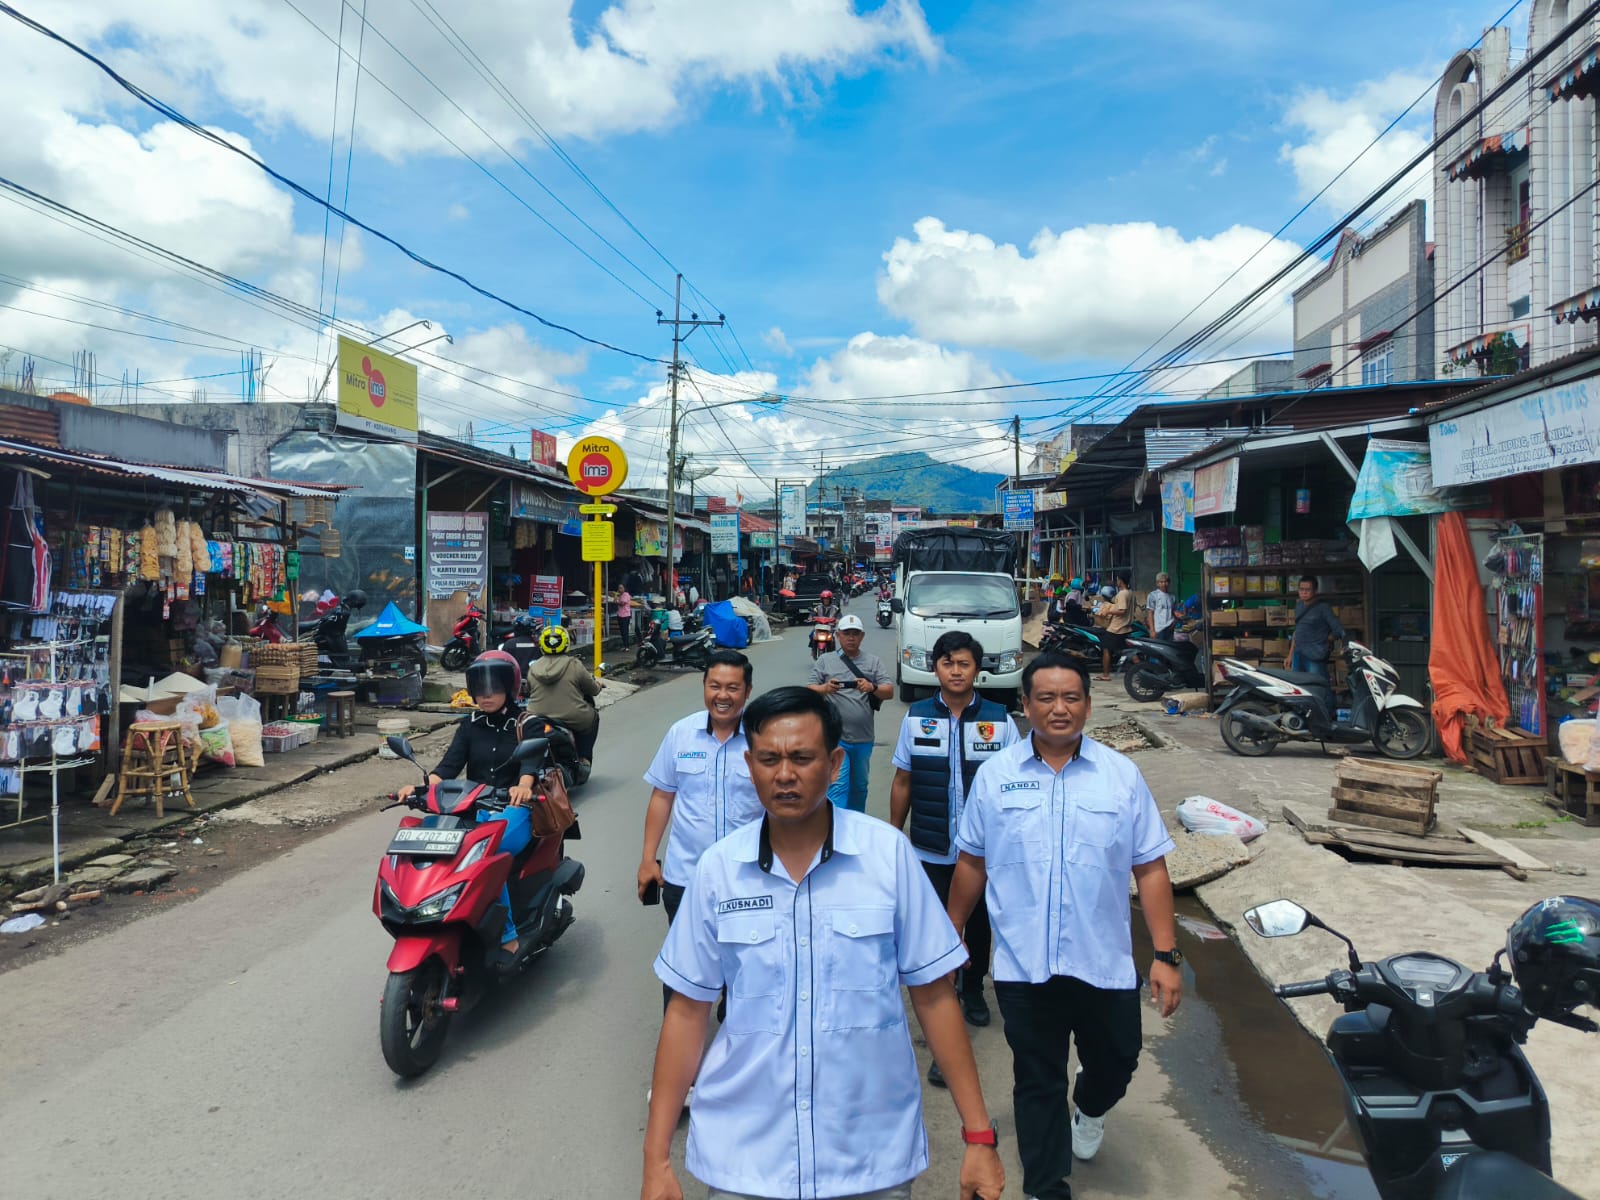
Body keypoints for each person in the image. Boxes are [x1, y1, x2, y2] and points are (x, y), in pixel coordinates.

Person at [643, 687, 1005, 1200]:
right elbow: (687, 1012)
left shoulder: (887, 857)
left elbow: (934, 995)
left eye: (802, 758)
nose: (784, 775)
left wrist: (979, 1136)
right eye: (769, 759)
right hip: (746, 1160)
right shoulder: (718, 871)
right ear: (750, 766)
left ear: (835, 764)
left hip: (868, 1157)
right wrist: (656, 1159)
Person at [948, 652, 1183, 1200]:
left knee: (1118, 1059)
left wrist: (1166, 956)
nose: (1059, 709)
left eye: (1071, 697)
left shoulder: (1120, 776)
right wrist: (952, 929)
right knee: (1037, 1079)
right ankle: (1045, 1187)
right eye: (1047, 698)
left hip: (1102, 960)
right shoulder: (997, 777)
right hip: (1023, 962)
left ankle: (1091, 1106)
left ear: (1088, 706)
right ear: (1026, 706)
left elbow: (1150, 867)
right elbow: (972, 861)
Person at [889, 630, 1018, 1083]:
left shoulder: (1000, 721)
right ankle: (942, 999)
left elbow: (1012, 786)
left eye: (964, 663)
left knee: (978, 924)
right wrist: (895, 835)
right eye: (948, 663)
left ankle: (974, 988)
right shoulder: (917, 718)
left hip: (984, 854)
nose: (956, 671)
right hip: (931, 847)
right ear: (935, 668)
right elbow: (903, 779)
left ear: (976, 670)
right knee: (936, 927)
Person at [397, 649, 541, 970]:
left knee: (488, 854)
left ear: (509, 688)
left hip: (514, 808)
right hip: (474, 808)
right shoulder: (469, 725)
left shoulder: (527, 723)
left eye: (494, 687)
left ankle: (508, 935)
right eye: (480, 688)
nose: (486, 695)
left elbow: (530, 762)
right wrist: (420, 789)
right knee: (433, 843)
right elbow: (447, 767)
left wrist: (523, 786)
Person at [638, 650, 760, 1015]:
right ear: (704, 686)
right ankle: (680, 1044)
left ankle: (735, 1022)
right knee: (683, 968)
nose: (722, 695)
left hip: (748, 878)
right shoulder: (681, 734)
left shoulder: (762, 738)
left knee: (747, 961)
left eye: (733, 688)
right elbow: (662, 796)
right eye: (714, 686)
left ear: (747, 691)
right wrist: (648, 859)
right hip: (686, 877)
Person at [807, 613, 892, 812]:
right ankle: (836, 825)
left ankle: (856, 823)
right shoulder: (825, 661)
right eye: (846, 633)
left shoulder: (873, 662)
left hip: (863, 738)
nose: (851, 638)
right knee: (837, 786)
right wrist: (825, 688)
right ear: (838, 635)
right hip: (836, 738)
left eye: (855, 634)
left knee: (859, 787)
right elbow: (809, 689)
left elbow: (888, 691)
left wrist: (872, 687)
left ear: (862, 636)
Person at [524, 625, 602, 763]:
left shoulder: (534, 667)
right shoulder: (574, 664)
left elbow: (528, 690)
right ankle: (583, 758)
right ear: (566, 643)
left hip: (537, 717)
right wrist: (598, 686)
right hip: (572, 717)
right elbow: (593, 690)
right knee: (594, 718)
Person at [1289, 575, 1346, 680]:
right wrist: (1290, 655)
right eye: (1301, 589)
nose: (1304, 592)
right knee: (1298, 686)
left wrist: (1323, 640)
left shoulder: (1323, 608)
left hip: (1315, 655)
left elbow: (1338, 630)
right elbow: (1297, 631)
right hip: (1298, 654)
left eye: (1308, 590)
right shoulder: (1299, 606)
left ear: (1315, 591)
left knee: (1317, 685)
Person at [1097, 574, 1133, 681]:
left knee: (1106, 649)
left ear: (1120, 581)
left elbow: (1122, 610)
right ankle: (1141, 670)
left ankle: (1106, 675)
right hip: (1126, 627)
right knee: (1128, 650)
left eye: (1117, 579)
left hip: (1116, 628)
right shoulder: (1130, 593)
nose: (1116, 582)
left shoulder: (1122, 594)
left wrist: (1109, 611)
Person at [1146, 572, 1175, 642]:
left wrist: (1174, 623)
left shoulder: (1172, 597)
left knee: (1169, 648)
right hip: (1158, 630)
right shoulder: (1153, 595)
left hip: (1169, 629)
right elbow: (1150, 614)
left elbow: (1173, 612)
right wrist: (1152, 630)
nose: (1164, 584)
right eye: (1161, 582)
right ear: (1157, 583)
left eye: (1166, 582)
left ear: (1169, 583)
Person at [617, 585, 635, 649]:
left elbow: (622, 603)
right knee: (622, 631)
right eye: (619, 588)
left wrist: (617, 601)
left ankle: (627, 646)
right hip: (620, 615)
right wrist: (615, 596)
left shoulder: (626, 595)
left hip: (625, 615)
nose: (619, 589)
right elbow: (615, 601)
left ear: (624, 588)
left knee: (625, 631)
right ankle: (625, 646)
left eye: (621, 588)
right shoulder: (619, 595)